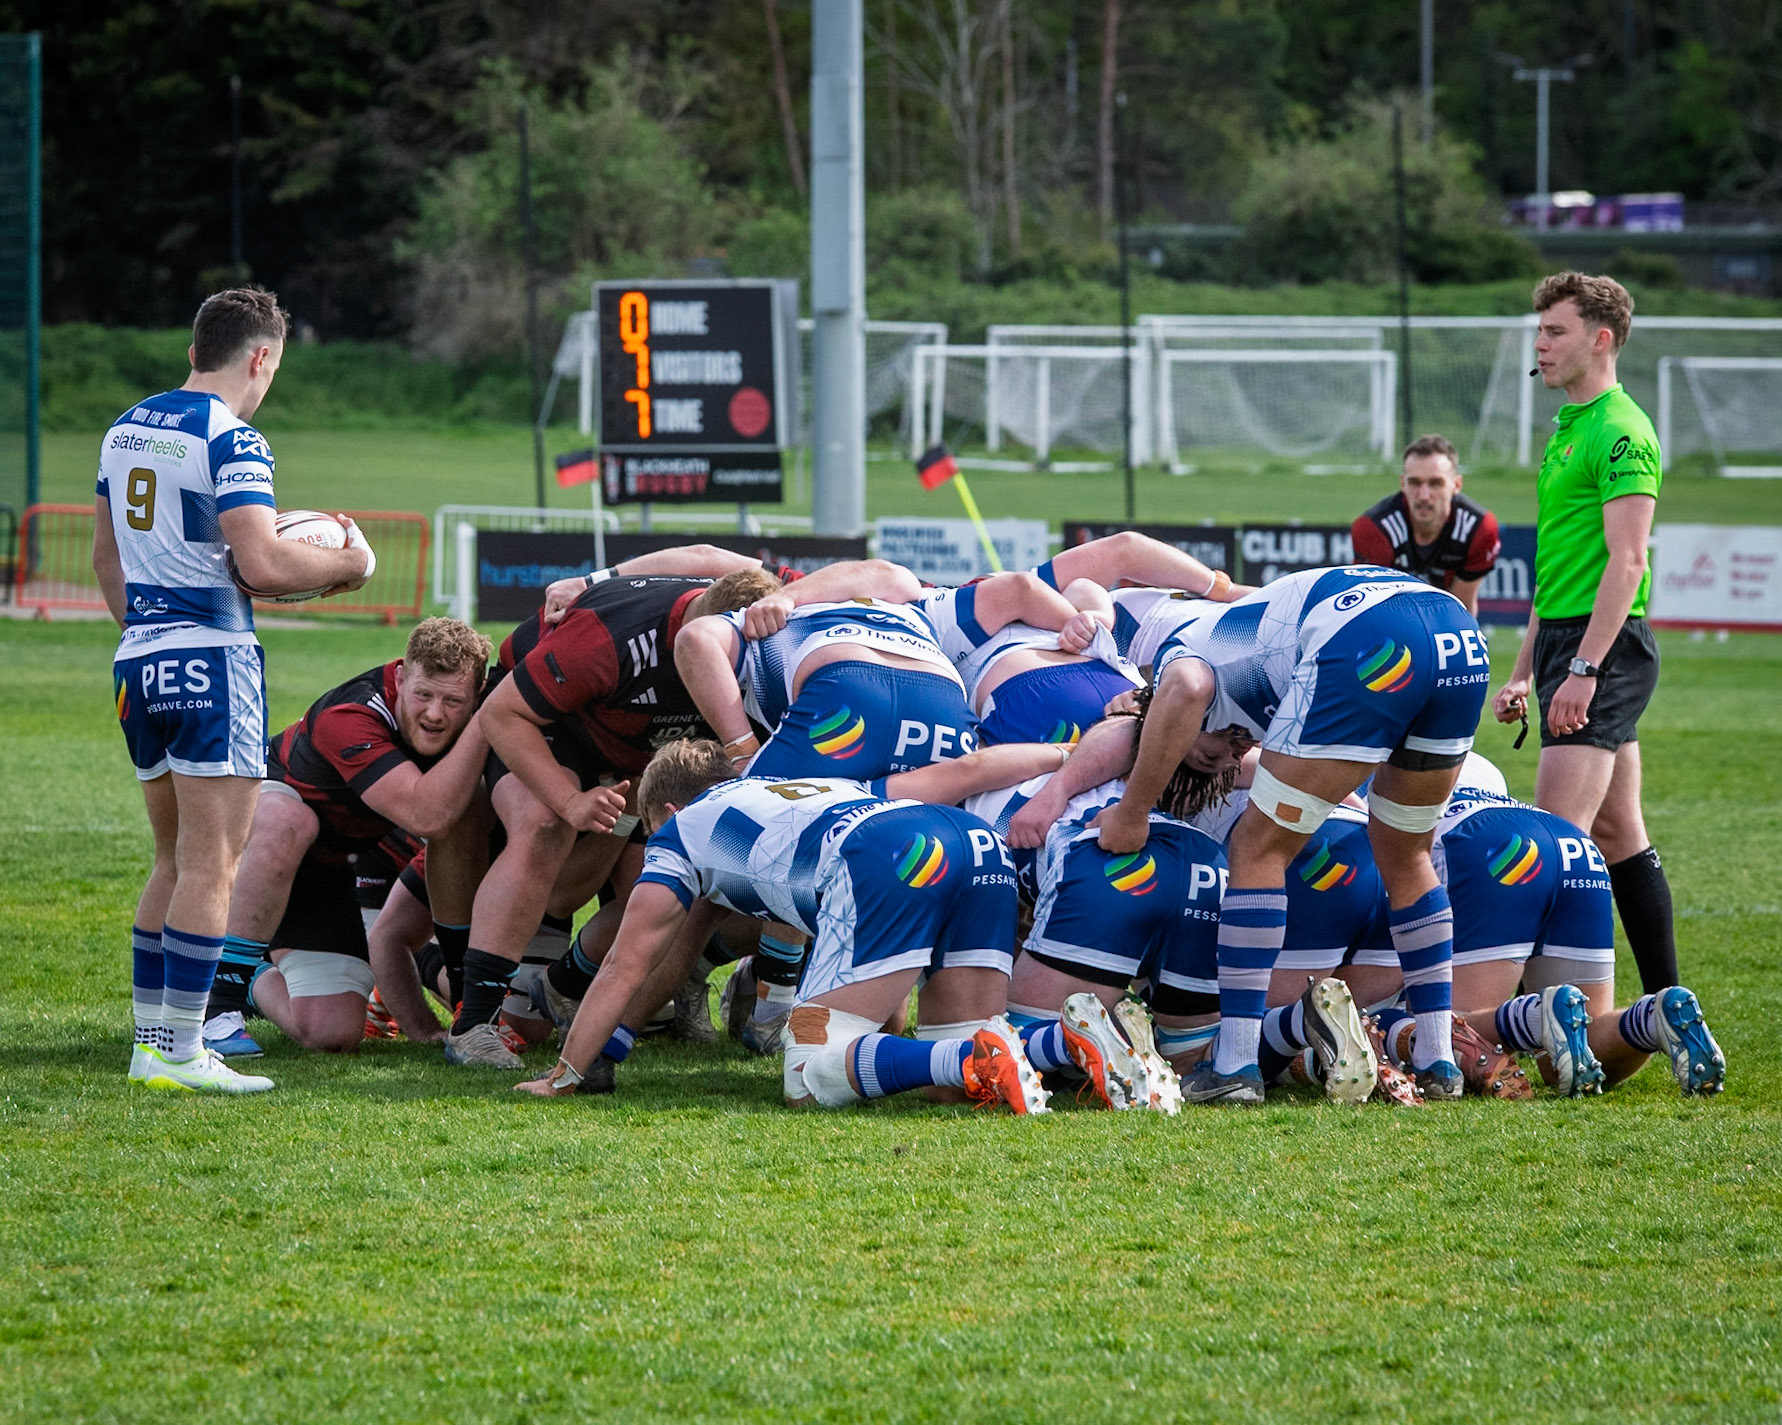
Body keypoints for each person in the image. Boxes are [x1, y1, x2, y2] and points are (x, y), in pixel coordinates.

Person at [91, 286, 371, 1093]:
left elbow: (108, 560)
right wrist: (348, 564)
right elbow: (265, 564)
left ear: (193, 351)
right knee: (215, 861)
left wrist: (147, 634)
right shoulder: (234, 438)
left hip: (139, 659)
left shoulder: (127, 427)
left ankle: (156, 1041)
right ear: (261, 358)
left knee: (172, 857)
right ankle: (181, 1051)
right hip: (212, 661)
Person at [1087, 564, 1492, 1105]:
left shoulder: (1177, 653)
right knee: (1408, 855)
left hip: (1369, 632)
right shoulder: (1245, 628)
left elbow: (1185, 686)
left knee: (1256, 847)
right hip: (1456, 632)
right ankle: (1438, 1058)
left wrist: (1131, 812)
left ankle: (1232, 1064)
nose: (1228, 754)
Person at [514, 738, 1071, 1112]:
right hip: (975, 844)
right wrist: (1071, 752)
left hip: (884, 856)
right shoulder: (800, 786)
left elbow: (623, 964)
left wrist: (565, 1074)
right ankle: (1067, 1046)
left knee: (807, 1073)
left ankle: (994, 1048)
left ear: (663, 812)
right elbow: (963, 772)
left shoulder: (677, 834)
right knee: (949, 1090)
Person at [1490, 271, 1678, 998]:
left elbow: (1628, 562)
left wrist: (1586, 668)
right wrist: (1522, 669)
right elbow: (1558, 571)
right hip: (1571, 642)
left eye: (1555, 331)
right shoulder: (1569, 428)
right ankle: (1670, 1004)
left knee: (1553, 838)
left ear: (1600, 340)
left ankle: (1525, 1013)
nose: (1540, 344)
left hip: (1606, 646)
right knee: (1616, 832)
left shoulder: (1622, 431)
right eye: (1539, 331)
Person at [204, 618, 492, 1052]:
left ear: (477, 693)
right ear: (399, 675)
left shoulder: (474, 710)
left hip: (328, 866)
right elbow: (427, 815)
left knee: (332, 1035)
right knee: (291, 822)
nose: (435, 713)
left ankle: (253, 976)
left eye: (453, 700)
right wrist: (486, 724)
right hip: (253, 825)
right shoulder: (353, 715)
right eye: (423, 695)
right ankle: (218, 1002)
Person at [1351, 434, 1501, 615]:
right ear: (1403, 484)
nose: (1423, 495)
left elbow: (1460, 609)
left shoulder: (1478, 528)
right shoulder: (1374, 529)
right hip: (1390, 618)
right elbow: (1372, 612)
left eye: (1435, 483)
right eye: (1415, 483)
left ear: (1456, 485)